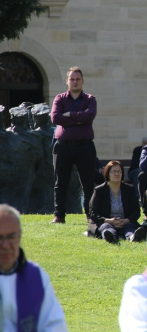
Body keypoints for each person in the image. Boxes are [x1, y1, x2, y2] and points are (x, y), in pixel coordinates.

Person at [0, 204, 68, 331]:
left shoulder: (35, 276)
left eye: (11, 237)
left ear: (20, 236)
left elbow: (54, 325)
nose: (5, 245)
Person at [51, 66, 97, 223]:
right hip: (63, 146)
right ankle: (59, 216)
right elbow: (55, 118)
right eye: (72, 79)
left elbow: (90, 115)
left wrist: (70, 115)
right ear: (67, 81)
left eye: (78, 79)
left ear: (83, 81)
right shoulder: (59, 99)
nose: (75, 82)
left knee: (88, 183)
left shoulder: (90, 99)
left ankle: (91, 215)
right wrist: (80, 119)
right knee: (60, 182)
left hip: (85, 146)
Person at [89, 161, 144, 243]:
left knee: (130, 228)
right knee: (106, 227)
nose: (116, 174)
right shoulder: (99, 191)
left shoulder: (129, 190)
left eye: (119, 171)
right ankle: (111, 237)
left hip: (125, 222)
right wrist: (110, 221)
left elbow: (136, 212)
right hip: (107, 221)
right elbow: (93, 214)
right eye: (114, 171)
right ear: (108, 173)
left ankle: (133, 237)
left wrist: (125, 221)